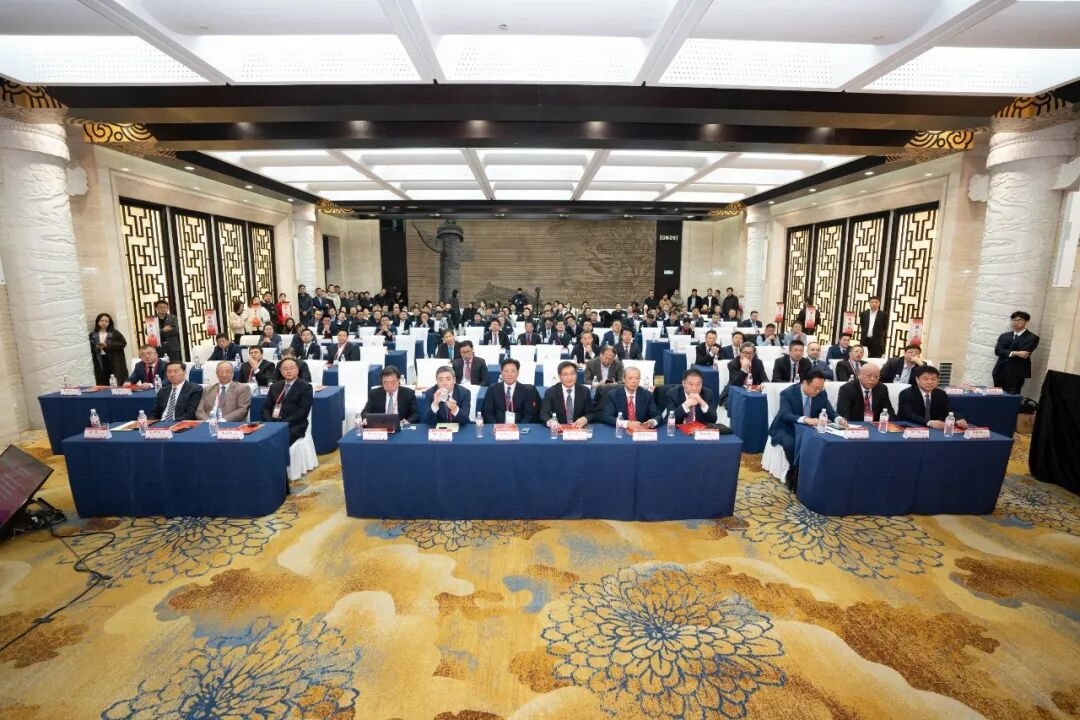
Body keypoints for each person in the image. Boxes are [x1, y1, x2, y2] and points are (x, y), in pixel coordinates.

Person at [768, 370, 842, 489]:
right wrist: (806, 419)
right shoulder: (788, 393)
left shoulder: (821, 393)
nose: (818, 391)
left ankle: (819, 473)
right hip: (788, 426)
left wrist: (838, 419)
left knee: (826, 441)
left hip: (811, 428)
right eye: (815, 388)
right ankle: (795, 472)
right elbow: (785, 414)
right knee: (791, 444)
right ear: (805, 383)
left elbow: (830, 411)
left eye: (821, 388)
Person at [261, 358, 314, 445]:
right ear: (281, 371)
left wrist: (282, 424)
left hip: (294, 425)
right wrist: (270, 423)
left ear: (297, 370)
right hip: (273, 423)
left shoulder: (305, 387)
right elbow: (265, 408)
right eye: (285, 369)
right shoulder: (275, 386)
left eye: (292, 368)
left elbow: (302, 412)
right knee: (260, 439)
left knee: (277, 440)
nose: (289, 371)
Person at [897, 366, 968, 430]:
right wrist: (929, 422)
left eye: (934, 379)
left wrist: (959, 419)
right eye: (926, 379)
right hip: (912, 427)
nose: (930, 382)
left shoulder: (941, 394)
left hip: (935, 429)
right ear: (917, 379)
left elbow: (949, 410)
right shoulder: (906, 393)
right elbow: (908, 415)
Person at [992, 311, 1040, 395]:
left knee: (1011, 398)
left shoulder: (1032, 338)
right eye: (1014, 320)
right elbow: (998, 351)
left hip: (1016, 373)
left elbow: (1024, 354)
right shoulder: (1004, 336)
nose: (1016, 322)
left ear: (1026, 322)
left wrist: (1006, 351)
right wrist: (1016, 353)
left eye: (1019, 320)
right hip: (1000, 371)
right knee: (997, 397)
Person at [482, 358, 542, 424]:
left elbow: (528, 415)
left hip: (519, 427)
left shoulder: (527, 391)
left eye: (513, 371)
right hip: (498, 427)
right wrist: (497, 427)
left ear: (518, 373)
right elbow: (488, 413)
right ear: (501, 373)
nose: (509, 374)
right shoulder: (492, 389)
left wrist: (519, 428)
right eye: (506, 371)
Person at [541, 361, 592, 427]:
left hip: (578, 429)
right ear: (559, 376)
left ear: (576, 375)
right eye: (565, 374)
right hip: (559, 428)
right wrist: (551, 422)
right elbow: (544, 413)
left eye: (572, 374)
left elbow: (591, 413)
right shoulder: (551, 392)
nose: (569, 378)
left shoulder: (585, 391)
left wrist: (585, 419)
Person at [89, 312, 128, 386]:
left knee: (115, 377)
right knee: (102, 378)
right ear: (98, 321)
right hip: (99, 359)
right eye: (102, 321)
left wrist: (107, 345)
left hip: (114, 359)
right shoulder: (92, 334)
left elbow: (123, 343)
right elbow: (90, 347)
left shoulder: (115, 333)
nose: (104, 323)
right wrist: (96, 347)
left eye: (106, 321)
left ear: (109, 323)